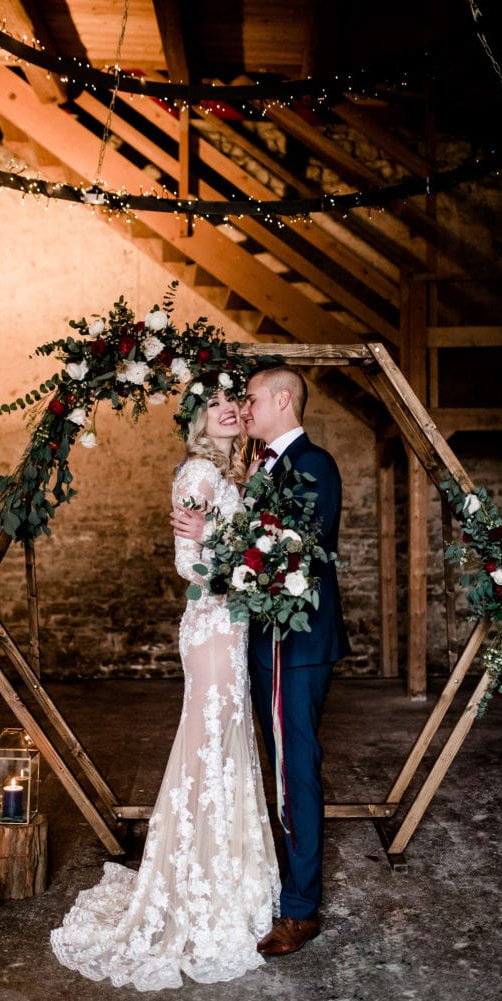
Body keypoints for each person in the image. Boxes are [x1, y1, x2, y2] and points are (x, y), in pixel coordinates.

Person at [50, 388, 280, 991]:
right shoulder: (198, 472)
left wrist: (235, 541)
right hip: (210, 624)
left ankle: (224, 874)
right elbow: (187, 562)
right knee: (208, 740)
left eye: (236, 400)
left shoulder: (233, 473)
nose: (229, 409)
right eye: (216, 404)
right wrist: (237, 564)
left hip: (233, 625)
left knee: (226, 738)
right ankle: (192, 884)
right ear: (198, 421)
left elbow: (227, 541)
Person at [174, 365, 350, 957]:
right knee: (272, 767)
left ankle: (300, 910)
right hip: (259, 642)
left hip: (294, 647)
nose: (243, 408)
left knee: (294, 770)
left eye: (249, 399)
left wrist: (213, 538)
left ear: (281, 400)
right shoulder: (256, 468)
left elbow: (289, 557)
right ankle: (262, 880)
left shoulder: (314, 465)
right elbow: (258, 542)